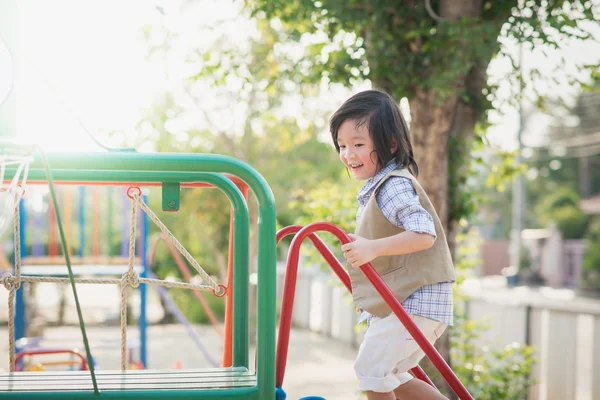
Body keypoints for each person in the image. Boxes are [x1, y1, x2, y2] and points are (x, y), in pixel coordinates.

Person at [331, 89, 456, 400]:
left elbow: (424, 234)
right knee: (392, 377)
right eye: (342, 145)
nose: (348, 154)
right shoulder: (379, 188)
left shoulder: (393, 185)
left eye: (358, 144)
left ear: (390, 144)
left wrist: (372, 248)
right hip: (414, 302)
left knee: (371, 371)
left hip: (417, 301)